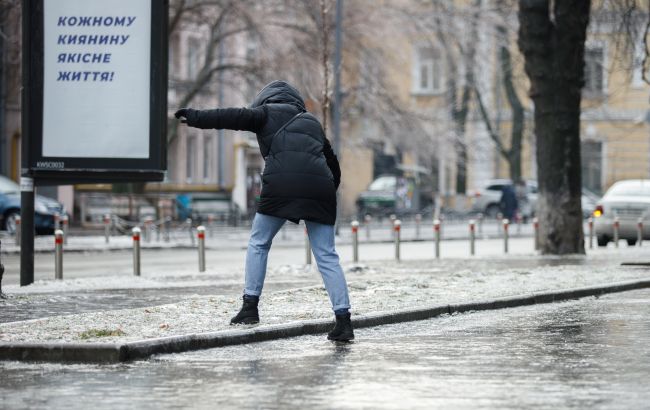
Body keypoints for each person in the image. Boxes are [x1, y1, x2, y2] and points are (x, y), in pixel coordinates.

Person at [174, 80, 354, 342]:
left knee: (259, 242)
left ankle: (250, 308)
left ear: (265, 100)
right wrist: (324, 190)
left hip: (281, 184)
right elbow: (332, 162)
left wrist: (194, 117)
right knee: (327, 255)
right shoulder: (312, 122)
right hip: (320, 188)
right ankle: (344, 322)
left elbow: (230, 116)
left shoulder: (264, 113)